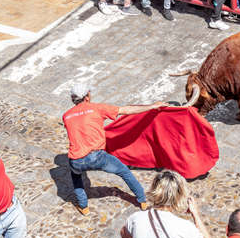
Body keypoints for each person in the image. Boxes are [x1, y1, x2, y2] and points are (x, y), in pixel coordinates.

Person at [62, 83, 168, 215]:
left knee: (76, 176)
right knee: (124, 171)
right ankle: (142, 199)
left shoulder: (66, 116)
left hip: (76, 160)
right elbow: (126, 110)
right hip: (97, 157)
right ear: (87, 96)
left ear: (73, 99)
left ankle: (84, 207)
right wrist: (152, 106)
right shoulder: (97, 108)